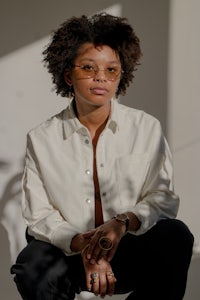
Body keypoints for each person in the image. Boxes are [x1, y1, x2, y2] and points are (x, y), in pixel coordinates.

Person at [11, 13, 194, 300]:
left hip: (126, 251)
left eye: (111, 70)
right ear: (68, 75)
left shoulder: (147, 128)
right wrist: (82, 245)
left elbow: (162, 197)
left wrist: (120, 224)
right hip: (69, 256)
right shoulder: (42, 138)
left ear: (122, 75)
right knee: (30, 263)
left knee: (176, 235)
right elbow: (39, 214)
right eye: (89, 67)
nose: (101, 77)